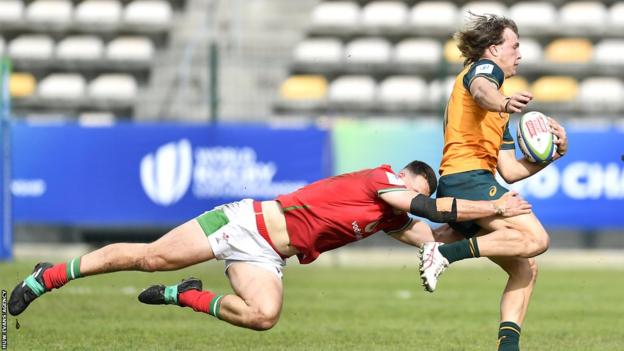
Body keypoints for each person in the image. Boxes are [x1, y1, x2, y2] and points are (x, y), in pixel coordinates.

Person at [9, 161, 531, 331]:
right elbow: (423, 212)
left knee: (264, 316)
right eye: (418, 192)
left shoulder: (386, 217)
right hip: (245, 222)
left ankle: (184, 295)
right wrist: (492, 208)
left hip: (266, 255)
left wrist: (479, 237)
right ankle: (47, 276)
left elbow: (428, 235)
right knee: (149, 256)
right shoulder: (387, 181)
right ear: (411, 179)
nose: (412, 199)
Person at [417, 13, 569, 351]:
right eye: (514, 45)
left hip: (474, 179)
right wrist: (503, 101)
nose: (519, 53)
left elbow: (511, 171)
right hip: (465, 179)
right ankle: (444, 253)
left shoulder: (501, 105)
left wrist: (554, 156)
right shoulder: (486, 73)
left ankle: (508, 348)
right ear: (492, 48)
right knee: (536, 238)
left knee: (526, 267)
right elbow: (483, 90)